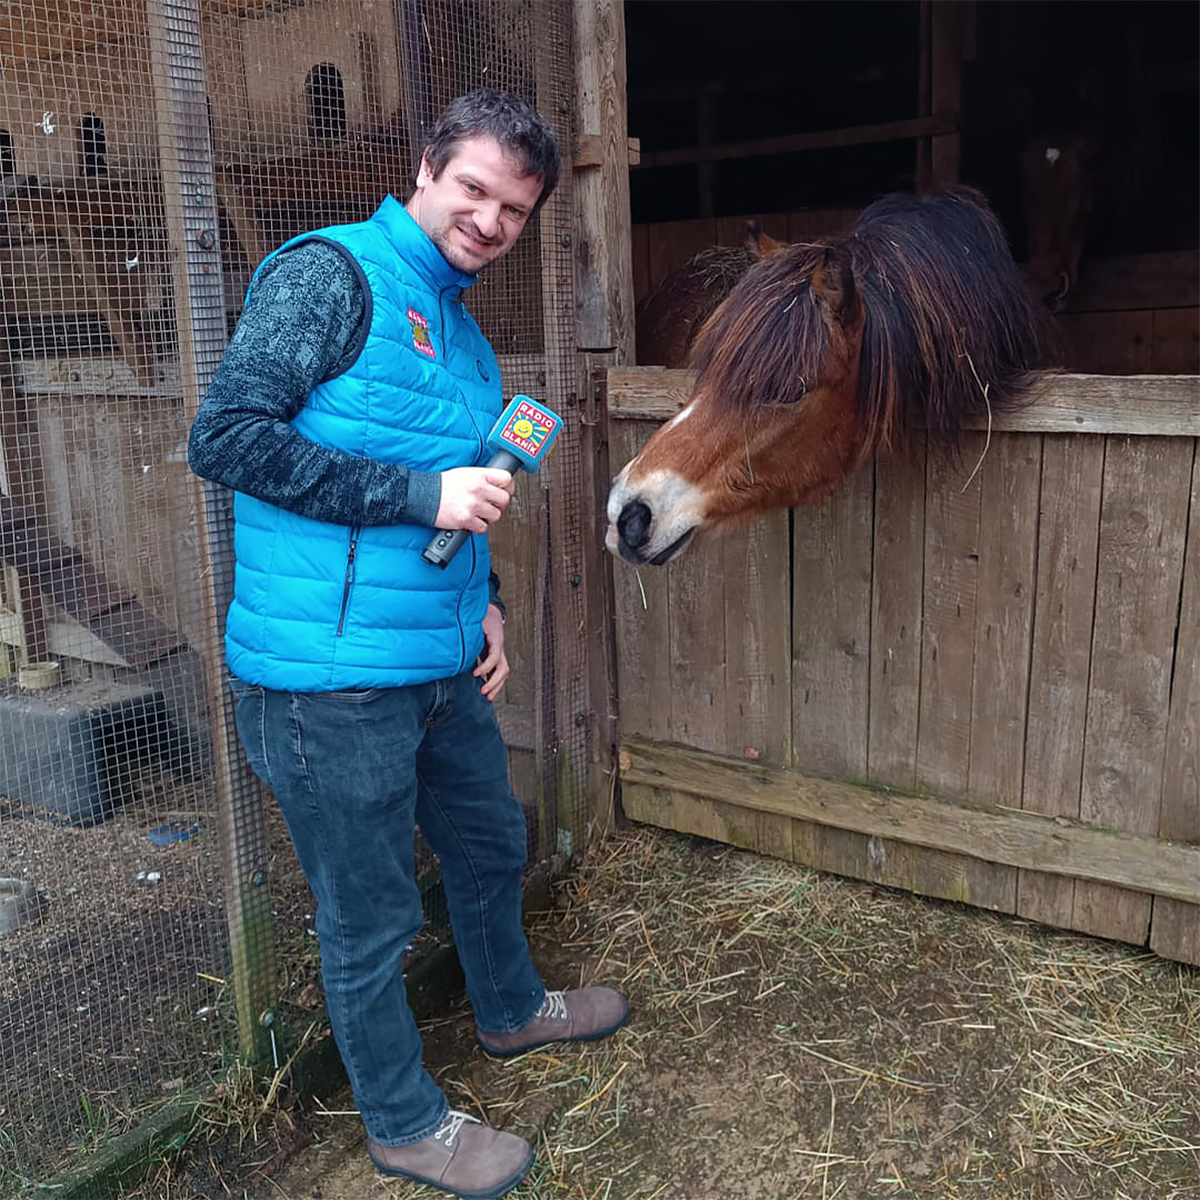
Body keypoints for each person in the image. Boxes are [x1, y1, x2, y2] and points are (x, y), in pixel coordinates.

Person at [188, 89, 628, 1200]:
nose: (490, 220)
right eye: (473, 189)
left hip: (439, 665)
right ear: (426, 168)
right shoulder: (329, 276)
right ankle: (402, 1123)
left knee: (490, 846)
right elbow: (225, 437)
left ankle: (511, 1010)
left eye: (514, 209)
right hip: (330, 685)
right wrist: (420, 494)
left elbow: (468, 498)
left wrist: (486, 607)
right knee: (372, 916)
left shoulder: (465, 337)